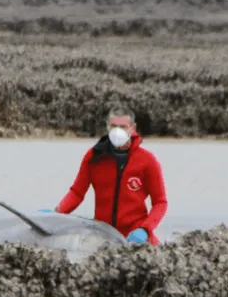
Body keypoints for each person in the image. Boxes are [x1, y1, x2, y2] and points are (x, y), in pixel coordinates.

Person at [44, 105, 168, 245]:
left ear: (132, 128)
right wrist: (57, 214)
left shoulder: (147, 160)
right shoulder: (93, 157)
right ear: (107, 126)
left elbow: (160, 202)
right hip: (103, 236)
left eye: (123, 126)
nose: (118, 131)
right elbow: (77, 193)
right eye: (114, 126)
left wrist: (145, 229)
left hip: (136, 236)